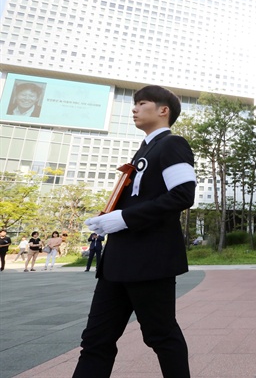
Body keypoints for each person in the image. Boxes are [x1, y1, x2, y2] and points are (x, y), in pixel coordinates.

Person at [73, 85, 196, 378]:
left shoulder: (172, 144)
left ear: (163, 110)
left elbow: (182, 195)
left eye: (142, 103)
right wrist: (109, 219)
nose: (134, 109)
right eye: (135, 104)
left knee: (161, 336)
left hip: (150, 261)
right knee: (95, 340)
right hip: (116, 262)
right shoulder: (143, 149)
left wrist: (125, 218)